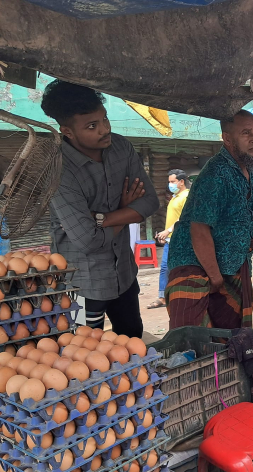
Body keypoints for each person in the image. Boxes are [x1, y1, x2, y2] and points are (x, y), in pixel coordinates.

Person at [41, 80, 159, 337]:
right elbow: (88, 240)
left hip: (124, 276)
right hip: (84, 284)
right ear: (68, 132)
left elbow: (151, 202)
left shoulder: (121, 148)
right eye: (92, 126)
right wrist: (126, 210)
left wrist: (103, 218)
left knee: (132, 344)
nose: (104, 129)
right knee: (85, 357)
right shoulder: (59, 170)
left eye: (104, 119)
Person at [165, 110, 253, 330]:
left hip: (231, 265)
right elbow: (199, 230)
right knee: (194, 342)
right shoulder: (215, 174)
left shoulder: (251, 170)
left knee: (232, 340)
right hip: (196, 266)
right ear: (227, 138)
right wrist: (215, 277)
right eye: (246, 133)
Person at [147, 169, 190, 309]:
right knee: (165, 268)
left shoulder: (187, 196)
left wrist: (168, 231)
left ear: (181, 182)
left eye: (172, 182)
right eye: (169, 182)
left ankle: (184, 296)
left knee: (181, 268)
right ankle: (163, 297)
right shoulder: (175, 196)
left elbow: (184, 218)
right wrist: (165, 235)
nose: (170, 184)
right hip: (171, 239)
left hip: (181, 239)